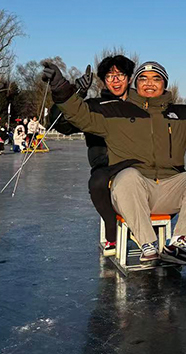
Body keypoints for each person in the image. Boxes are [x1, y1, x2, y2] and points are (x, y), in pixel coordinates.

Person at [43, 60, 186, 267]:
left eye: (156, 79)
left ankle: (177, 243)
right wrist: (61, 86)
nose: (149, 83)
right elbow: (78, 114)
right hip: (132, 192)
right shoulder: (115, 111)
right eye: (144, 78)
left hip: (168, 190)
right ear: (136, 83)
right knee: (128, 175)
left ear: (164, 84)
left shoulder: (180, 115)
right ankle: (147, 245)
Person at [51, 55, 136, 257]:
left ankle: (146, 228)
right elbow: (61, 124)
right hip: (105, 162)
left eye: (120, 75)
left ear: (129, 78)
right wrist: (76, 93)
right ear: (104, 80)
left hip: (135, 160)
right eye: (110, 76)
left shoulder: (140, 104)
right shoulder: (93, 105)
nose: (116, 80)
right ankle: (111, 228)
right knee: (98, 182)